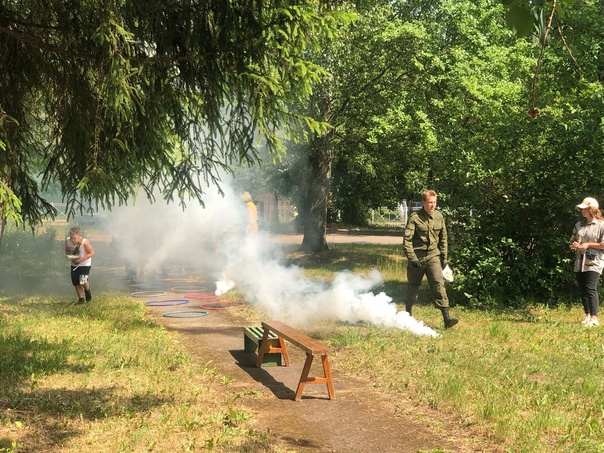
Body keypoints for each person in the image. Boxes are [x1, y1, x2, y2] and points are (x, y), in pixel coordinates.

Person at [403, 189, 458, 329]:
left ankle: (446, 318)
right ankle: (407, 314)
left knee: (438, 285)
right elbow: (407, 240)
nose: (432, 205)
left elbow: (443, 239)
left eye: (434, 202)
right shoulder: (414, 218)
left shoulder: (439, 217)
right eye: (430, 202)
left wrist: (444, 259)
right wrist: (412, 258)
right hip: (417, 257)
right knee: (413, 286)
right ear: (423, 202)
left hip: (433, 256)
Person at [570, 197, 604, 327]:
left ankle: (594, 318)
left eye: (584, 209)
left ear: (592, 209)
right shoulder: (579, 224)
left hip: (594, 262)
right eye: (581, 209)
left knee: (590, 288)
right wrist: (574, 244)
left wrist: (588, 245)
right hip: (580, 262)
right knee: (583, 289)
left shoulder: (601, 225)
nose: (582, 211)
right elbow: (573, 239)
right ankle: (587, 315)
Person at [65, 226, 94, 304]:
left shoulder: (85, 242)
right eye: (71, 238)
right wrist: (71, 257)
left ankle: (87, 290)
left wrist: (80, 260)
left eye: (75, 238)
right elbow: (67, 250)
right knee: (76, 282)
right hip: (74, 264)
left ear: (79, 236)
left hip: (85, 264)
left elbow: (91, 253)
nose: (73, 240)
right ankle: (81, 299)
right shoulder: (67, 241)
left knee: (83, 281)